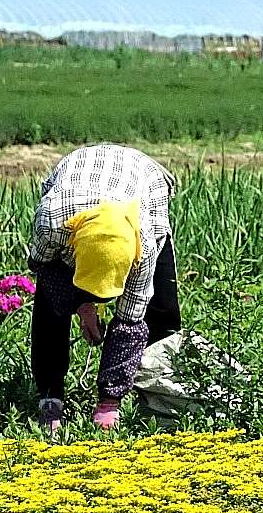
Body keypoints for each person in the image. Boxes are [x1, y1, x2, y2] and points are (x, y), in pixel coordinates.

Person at [27, 144, 180, 437]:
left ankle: (154, 394)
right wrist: (83, 305)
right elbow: (42, 266)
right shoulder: (52, 222)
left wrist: (109, 400)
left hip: (143, 180)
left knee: (161, 310)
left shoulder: (143, 245)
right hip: (79, 182)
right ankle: (50, 394)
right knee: (50, 305)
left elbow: (128, 324)